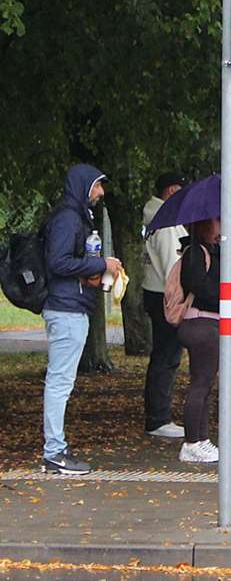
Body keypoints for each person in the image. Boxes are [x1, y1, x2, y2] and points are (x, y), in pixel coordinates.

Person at [40, 164, 123, 474]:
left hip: (71, 306)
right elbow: (58, 262)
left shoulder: (75, 216)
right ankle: (54, 452)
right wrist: (101, 264)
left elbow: (66, 262)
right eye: (97, 186)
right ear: (83, 186)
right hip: (66, 309)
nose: (101, 192)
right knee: (60, 381)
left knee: (62, 381)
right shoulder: (68, 218)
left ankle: (56, 448)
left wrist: (92, 272)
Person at [176, 217, 231, 463]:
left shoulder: (209, 252)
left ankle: (201, 439)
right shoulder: (195, 253)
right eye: (218, 221)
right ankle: (192, 442)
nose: (222, 226)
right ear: (205, 224)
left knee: (205, 384)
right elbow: (202, 287)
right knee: (201, 383)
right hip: (201, 323)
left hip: (208, 322)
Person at [141, 172, 187, 439]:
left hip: (154, 291)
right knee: (167, 357)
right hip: (166, 295)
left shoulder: (153, 219)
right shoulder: (167, 224)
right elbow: (174, 266)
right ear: (171, 191)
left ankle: (157, 415)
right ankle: (159, 418)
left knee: (162, 355)